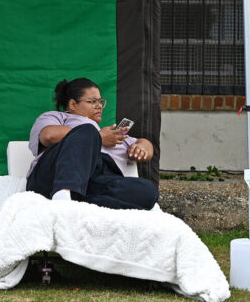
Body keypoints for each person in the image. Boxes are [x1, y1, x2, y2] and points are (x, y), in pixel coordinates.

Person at [26, 77, 158, 210]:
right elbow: (48, 136)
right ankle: (63, 195)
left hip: (96, 181)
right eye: (92, 101)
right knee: (87, 131)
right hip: (53, 177)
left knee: (147, 191)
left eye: (101, 101)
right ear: (73, 105)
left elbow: (146, 144)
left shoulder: (113, 136)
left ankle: (79, 203)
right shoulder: (58, 117)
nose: (99, 106)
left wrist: (142, 148)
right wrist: (98, 137)